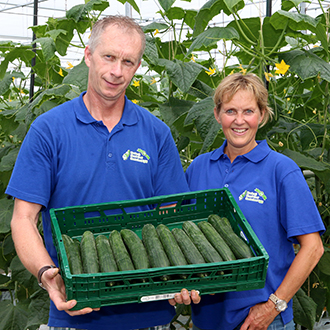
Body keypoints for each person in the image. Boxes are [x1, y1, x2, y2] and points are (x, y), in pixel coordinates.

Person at [6, 15, 197, 330]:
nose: (117, 71)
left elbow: (172, 216)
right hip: (74, 309)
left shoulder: (157, 133)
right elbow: (23, 218)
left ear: (137, 67)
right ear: (88, 56)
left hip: (148, 313)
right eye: (109, 56)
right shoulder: (48, 130)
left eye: (128, 61)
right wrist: (45, 274)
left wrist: (183, 273)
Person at [182, 73, 325, 329]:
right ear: (217, 114)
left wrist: (274, 306)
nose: (239, 121)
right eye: (230, 111)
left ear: (262, 115)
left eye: (248, 111)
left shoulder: (282, 170)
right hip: (207, 320)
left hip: (263, 321)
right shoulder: (199, 167)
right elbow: (182, 234)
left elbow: (313, 248)